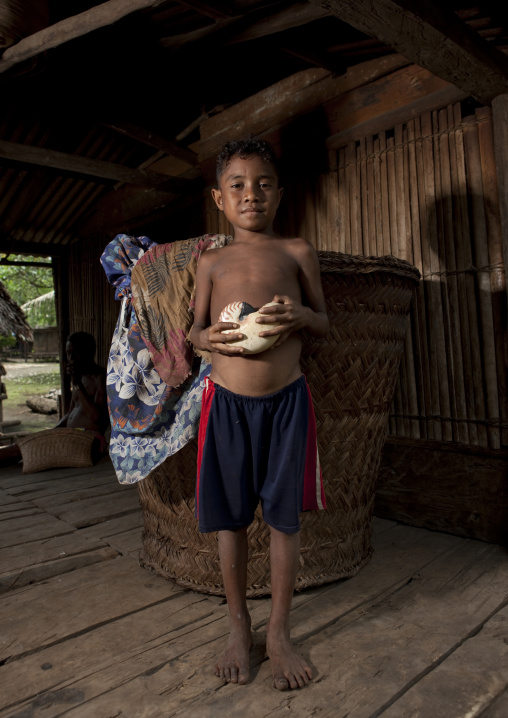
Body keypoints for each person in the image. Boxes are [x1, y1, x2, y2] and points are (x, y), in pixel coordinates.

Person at [189, 137, 329, 691]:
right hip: (225, 405)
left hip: (287, 402)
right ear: (219, 199)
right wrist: (209, 337)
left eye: (264, 183)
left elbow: (324, 322)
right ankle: (236, 626)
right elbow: (195, 332)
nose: (252, 194)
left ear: (280, 193)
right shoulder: (211, 261)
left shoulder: (297, 251)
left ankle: (279, 632)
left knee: (283, 519)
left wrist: (300, 315)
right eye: (238, 185)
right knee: (229, 519)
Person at [0, 331, 108, 465]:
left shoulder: (101, 378)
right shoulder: (81, 377)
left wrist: (77, 385)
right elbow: (70, 414)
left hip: (90, 440)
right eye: (68, 353)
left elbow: (97, 418)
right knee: (28, 444)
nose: (71, 358)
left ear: (88, 353)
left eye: (75, 353)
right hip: (72, 436)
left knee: (21, 449)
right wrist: (51, 432)